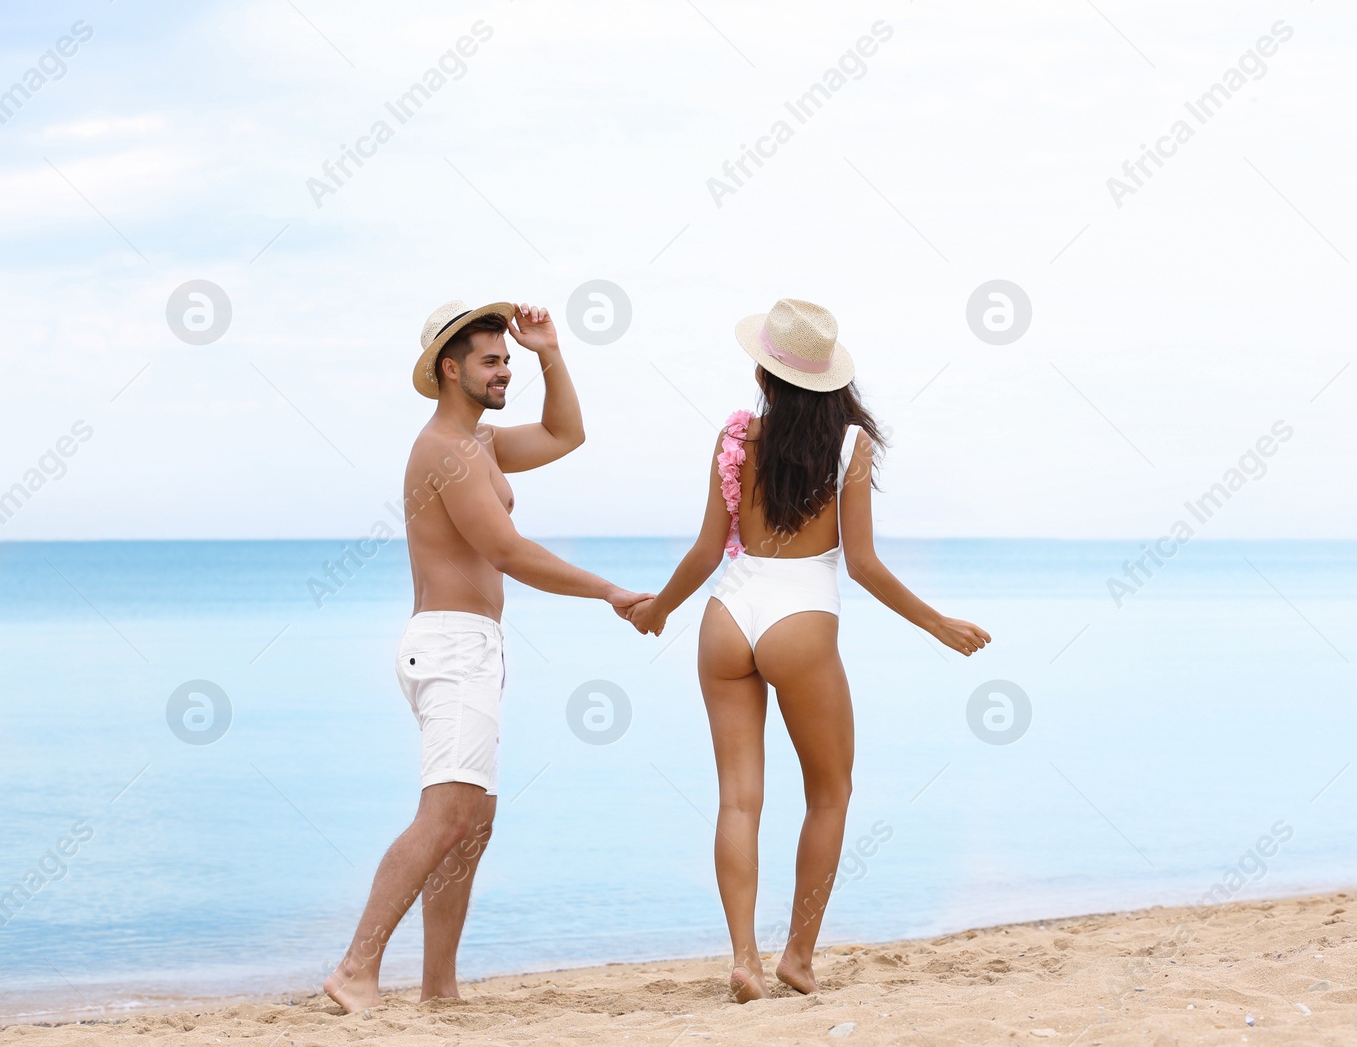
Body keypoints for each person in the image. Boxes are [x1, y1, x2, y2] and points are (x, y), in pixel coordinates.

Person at [627, 298, 991, 1002]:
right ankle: (796, 954)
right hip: (801, 619)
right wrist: (936, 623)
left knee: (739, 798)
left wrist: (658, 609)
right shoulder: (853, 445)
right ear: (831, 380)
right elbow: (864, 566)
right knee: (830, 793)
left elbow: (707, 550)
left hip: (727, 614)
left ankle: (744, 958)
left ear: (766, 376)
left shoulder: (736, 436)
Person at [324, 299, 651, 1013]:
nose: (505, 370)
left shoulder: (484, 443)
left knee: (473, 821)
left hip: (472, 646)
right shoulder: (443, 446)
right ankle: (356, 967)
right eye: (492, 359)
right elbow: (504, 549)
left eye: (507, 360)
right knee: (445, 815)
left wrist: (550, 352)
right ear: (451, 368)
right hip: (448, 644)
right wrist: (608, 592)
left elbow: (569, 432)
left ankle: (439, 987)